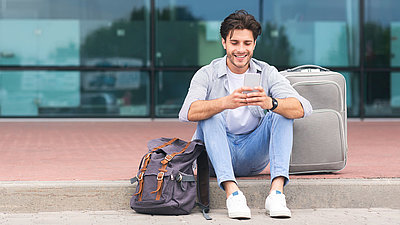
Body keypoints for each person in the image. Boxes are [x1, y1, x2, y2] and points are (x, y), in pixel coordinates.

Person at [179, 10, 312, 219]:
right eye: (235, 42)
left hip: (253, 153)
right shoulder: (207, 73)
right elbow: (187, 112)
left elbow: (303, 107)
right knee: (210, 114)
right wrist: (224, 103)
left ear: (254, 44)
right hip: (215, 156)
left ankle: (276, 193)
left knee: (281, 112)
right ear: (224, 43)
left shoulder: (267, 72)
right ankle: (233, 194)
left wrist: (271, 103)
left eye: (247, 43)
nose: (241, 50)